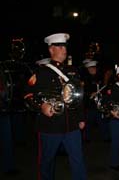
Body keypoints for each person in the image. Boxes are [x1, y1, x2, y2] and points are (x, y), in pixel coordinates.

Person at [24, 33, 87, 180]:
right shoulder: (40, 72)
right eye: (60, 46)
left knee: (78, 160)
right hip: (50, 126)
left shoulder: (73, 71)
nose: (64, 49)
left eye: (65, 46)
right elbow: (27, 96)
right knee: (47, 161)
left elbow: (78, 97)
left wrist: (81, 118)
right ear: (51, 50)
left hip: (71, 124)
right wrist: (41, 106)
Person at [82, 60, 111, 143]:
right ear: (88, 69)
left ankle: (106, 137)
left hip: (99, 104)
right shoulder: (86, 79)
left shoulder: (100, 77)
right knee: (89, 122)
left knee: (102, 121)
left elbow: (104, 88)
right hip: (90, 105)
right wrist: (89, 94)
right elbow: (82, 91)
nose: (92, 70)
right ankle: (87, 138)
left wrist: (103, 92)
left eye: (94, 68)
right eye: (90, 68)